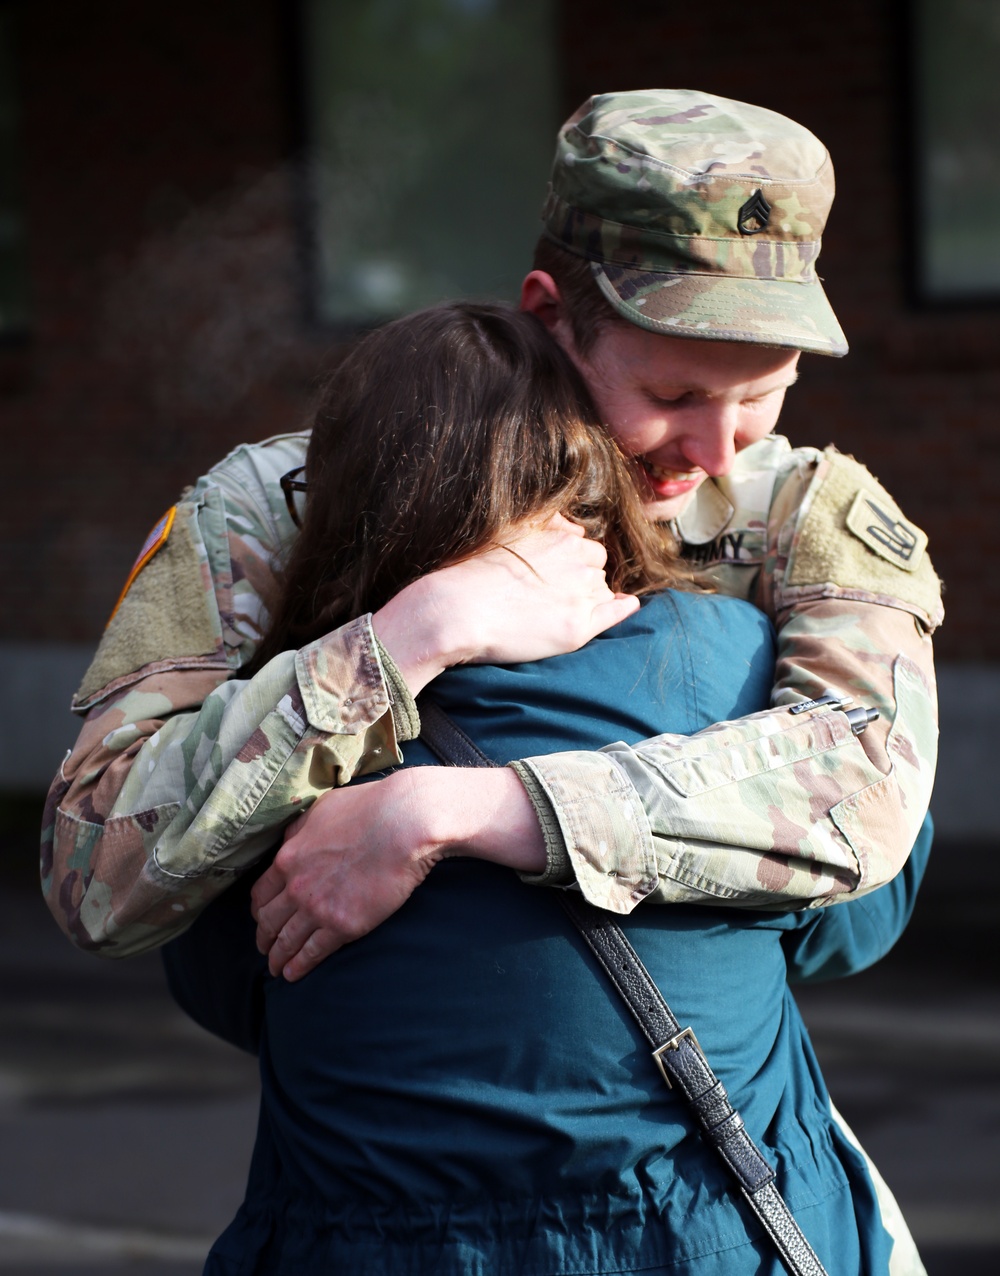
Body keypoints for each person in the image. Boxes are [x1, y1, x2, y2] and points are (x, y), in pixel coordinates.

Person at [41, 89, 940, 974]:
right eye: (674, 397)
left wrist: (464, 812)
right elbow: (95, 878)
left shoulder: (809, 515)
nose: (716, 450)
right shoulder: (279, 503)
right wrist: (405, 640)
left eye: (760, 395)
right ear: (551, 316)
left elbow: (870, 795)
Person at [165, 300, 927, 1275]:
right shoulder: (733, 663)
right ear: (585, 459)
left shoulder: (266, 735)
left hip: (352, 1241)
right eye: (669, 394)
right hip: (699, 1237)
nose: (721, 445)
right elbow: (850, 914)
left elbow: (220, 979)